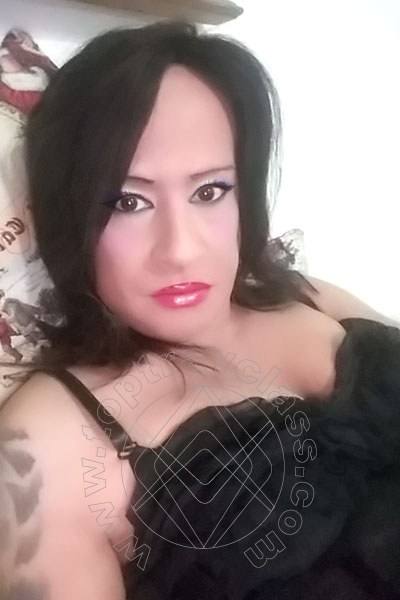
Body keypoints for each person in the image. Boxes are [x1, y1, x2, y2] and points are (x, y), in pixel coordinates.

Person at [0, 20, 398, 600]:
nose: (181, 249)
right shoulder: (45, 443)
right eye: (129, 201)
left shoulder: (308, 294)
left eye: (209, 191)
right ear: (70, 213)